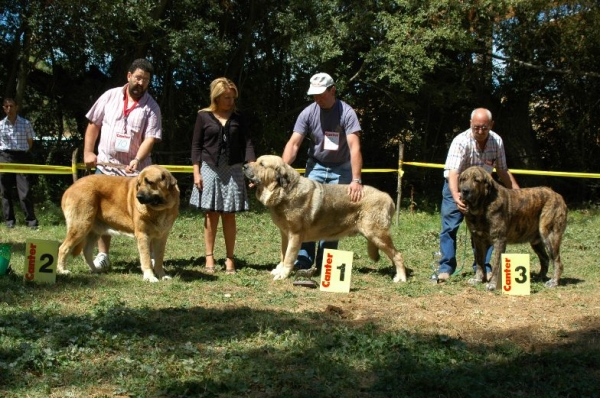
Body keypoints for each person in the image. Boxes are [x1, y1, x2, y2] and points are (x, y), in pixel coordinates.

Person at [83, 58, 162, 270]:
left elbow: (150, 138)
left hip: (135, 172)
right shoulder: (109, 96)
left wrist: (137, 159)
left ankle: (151, 257)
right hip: (106, 167)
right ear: (128, 76)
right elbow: (93, 124)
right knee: (103, 213)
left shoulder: (151, 107)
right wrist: (88, 152)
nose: (141, 83)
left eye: (145, 80)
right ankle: (103, 255)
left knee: (146, 214)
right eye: (138, 77)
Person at [282, 72, 364, 271]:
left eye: (321, 94)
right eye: (314, 95)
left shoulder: (346, 112)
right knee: (306, 212)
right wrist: (281, 170)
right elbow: (294, 144)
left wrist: (356, 179)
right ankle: (304, 260)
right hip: (316, 167)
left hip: (342, 169)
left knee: (334, 215)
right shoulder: (308, 112)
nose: (317, 99)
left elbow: (354, 147)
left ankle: (328, 262)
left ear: (332, 90)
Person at [436, 107, 520, 281]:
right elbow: (453, 173)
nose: (480, 131)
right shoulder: (460, 141)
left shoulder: (497, 141)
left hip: (484, 192)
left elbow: (502, 170)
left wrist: (518, 193)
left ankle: (483, 268)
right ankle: (446, 268)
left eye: (484, 127)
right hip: (458, 187)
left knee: (488, 229)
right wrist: (456, 195)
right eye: (476, 127)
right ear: (470, 124)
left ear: (491, 125)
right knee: (450, 227)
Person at [190, 77, 256, 274]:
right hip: (210, 168)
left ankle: (230, 258)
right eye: (227, 97)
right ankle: (209, 257)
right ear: (217, 97)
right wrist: (196, 172)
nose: (230, 101)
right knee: (211, 214)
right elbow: (196, 146)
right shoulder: (203, 116)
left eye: (232, 97)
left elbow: (248, 144)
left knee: (229, 214)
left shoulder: (239, 118)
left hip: (234, 168)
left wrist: (252, 169)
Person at [0, 97, 39, 229]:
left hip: (22, 156)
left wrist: (22, 152)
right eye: (6, 106)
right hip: (5, 157)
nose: (9, 109)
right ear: (4, 108)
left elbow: (30, 142)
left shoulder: (26, 123)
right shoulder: (0, 125)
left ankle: (31, 222)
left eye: (11, 106)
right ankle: (9, 222)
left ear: (16, 107)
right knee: (5, 192)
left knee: (25, 191)